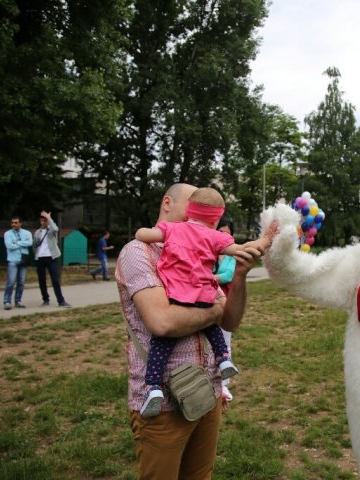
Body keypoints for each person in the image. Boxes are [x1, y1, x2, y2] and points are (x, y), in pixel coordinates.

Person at [116, 183, 272, 479]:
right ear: (167, 203)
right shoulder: (138, 253)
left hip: (207, 393)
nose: (197, 218)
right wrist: (213, 310)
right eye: (192, 206)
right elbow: (163, 323)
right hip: (161, 404)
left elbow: (231, 322)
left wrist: (239, 275)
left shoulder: (201, 248)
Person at [134, 187, 273, 417]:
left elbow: (143, 235)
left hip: (177, 295)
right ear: (217, 218)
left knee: (161, 344)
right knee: (211, 324)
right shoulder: (217, 237)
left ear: (190, 211)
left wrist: (144, 230)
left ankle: (153, 387)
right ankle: (224, 359)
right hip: (205, 294)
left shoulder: (173, 229)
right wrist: (266, 240)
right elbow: (242, 250)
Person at [214, 217, 237, 402]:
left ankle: (223, 384)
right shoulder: (207, 251)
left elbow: (228, 275)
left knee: (224, 342)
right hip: (205, 303)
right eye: (220, 231)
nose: (223, 236)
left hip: (225, 303)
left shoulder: (232, 255)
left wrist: (205, 277)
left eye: (227, 233)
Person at [33, 211, 71, 308]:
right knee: (42, 280)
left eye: (45, 221)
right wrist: (36, 255)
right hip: (40, 258)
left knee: (55, 279)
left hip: (51, 257)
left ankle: (61, 301)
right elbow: (34, 245)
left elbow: (55, 228)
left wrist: (49, 218)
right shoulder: (37, 232)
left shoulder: (51, 231)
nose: (44, 223)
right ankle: (45, 299)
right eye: (42, 221)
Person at [3, 215, 33, 310]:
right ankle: (7, 302)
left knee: (21, 282)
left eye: (16, 222)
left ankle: (18, 301)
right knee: (11, 282)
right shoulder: (7, 234)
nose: (14, 224)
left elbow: (30, 243)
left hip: (23, 260)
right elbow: (9, 246)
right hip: (13, 260)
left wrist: (16, 243)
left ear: (20, 223)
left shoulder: (27, 233)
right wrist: (22, 243)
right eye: (12, 222)